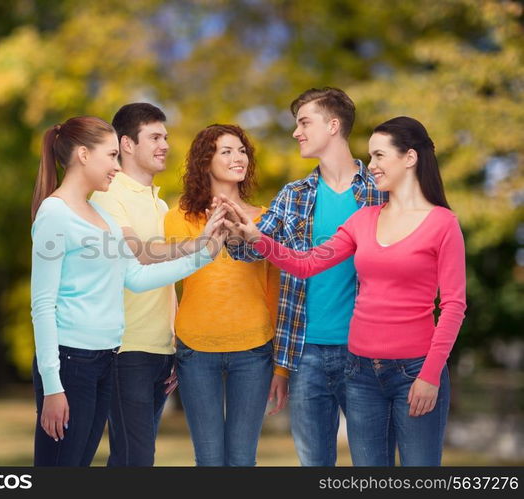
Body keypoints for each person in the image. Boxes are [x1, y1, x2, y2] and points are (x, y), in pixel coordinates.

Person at [222, 116, 466, 466]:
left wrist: (430, 375)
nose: (372, 166)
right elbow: (306, 263)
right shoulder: (363, 220)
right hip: (361, 373)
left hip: (415, 371)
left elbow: (454, 306)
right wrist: (259, 240)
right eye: (371, 157)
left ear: (409, 158)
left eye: (380, 156)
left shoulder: (443, 224)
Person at [30, 115, 227, 466]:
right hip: (70, 362)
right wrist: (53, 385)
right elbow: (42, 305)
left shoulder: (101, 217)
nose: (116, 168)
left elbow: (134, 276)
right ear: (83, 155)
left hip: (105, 358)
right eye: (111, 156)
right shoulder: (54, 213)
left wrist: (204, 253)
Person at [225, 87, 387, 466]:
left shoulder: (381, 192)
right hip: (306, 353)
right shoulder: (294, 195)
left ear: (333, 125)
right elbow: (250, 249)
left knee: (373, 463)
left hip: (367, 352)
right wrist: (234, 229)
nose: (296, 132)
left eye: (304, 122)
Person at [91, 103, 226, 466]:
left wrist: (176, 344)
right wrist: (201, 244)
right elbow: (136, 254)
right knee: (135, 459)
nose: (164, 144)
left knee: (132, 460)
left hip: (160, 350)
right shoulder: (107, 194)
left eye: (165, 136)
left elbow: (167, 285)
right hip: (124, 350)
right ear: (127, 144)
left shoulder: (159, 202)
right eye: (154, 137)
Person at [163, 124, 283, 466]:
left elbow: (274, 287)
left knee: (243, 460)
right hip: (196, 351)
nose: (238, 157)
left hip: (254, 350)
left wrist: (280, 366)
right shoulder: (179, 219)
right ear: (206, 160)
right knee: (210, 460)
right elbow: (166, 281)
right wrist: (170, 341)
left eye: (242, 150)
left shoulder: (263, 219)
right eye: (226, 151)